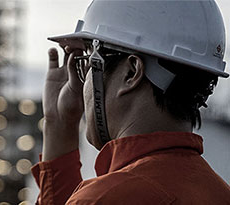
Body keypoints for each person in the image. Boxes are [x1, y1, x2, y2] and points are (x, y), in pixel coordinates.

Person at [31, 0, 230, 204]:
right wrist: (60, 124)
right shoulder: (220, 194)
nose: (82, 84)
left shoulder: (106, 198)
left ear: (131, 72)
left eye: (88, 64)